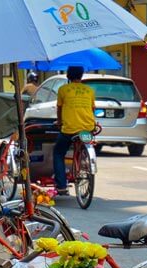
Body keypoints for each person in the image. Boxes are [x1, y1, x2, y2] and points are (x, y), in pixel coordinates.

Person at [52, 65, 95, 195]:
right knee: (84, 145)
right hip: (88, 128)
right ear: (81, 76)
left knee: (58, 153)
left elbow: (59, 108)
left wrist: (59, 122)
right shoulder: (89, 90)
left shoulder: (63, 89)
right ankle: (84, 162)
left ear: (68, 76)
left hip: (69, 130)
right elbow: (92, 109)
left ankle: (61, 185)